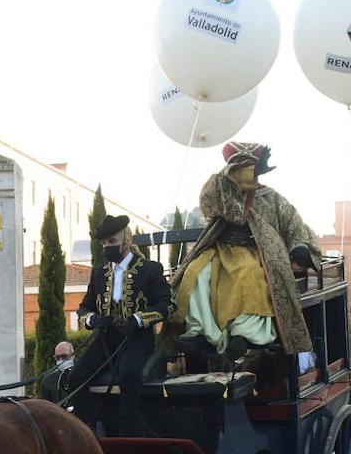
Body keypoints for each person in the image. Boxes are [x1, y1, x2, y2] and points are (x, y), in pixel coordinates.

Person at [169, 143, 321, 370]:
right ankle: (198, 331)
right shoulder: (222, 191)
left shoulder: (273, 198)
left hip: (258, 254)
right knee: (194, 273)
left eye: (249, 167)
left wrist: (300, 248)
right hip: (220, 250)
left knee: (249, 275)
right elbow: (209, 204)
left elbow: (295, 227)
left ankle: (247, 333)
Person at [64, 215, 173, 436]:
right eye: (103, 244)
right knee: (75, 377)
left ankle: (129, 435)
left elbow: (168, 305)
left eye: (111, 242)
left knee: (129, 375)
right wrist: (93, 320)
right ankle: (89, 431)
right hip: (106, 338)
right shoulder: (99, 273)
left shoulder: (150, 269)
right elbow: (84, 308)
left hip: (137, 338)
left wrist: (140, 319)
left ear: (125, 239)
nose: (107, 247)